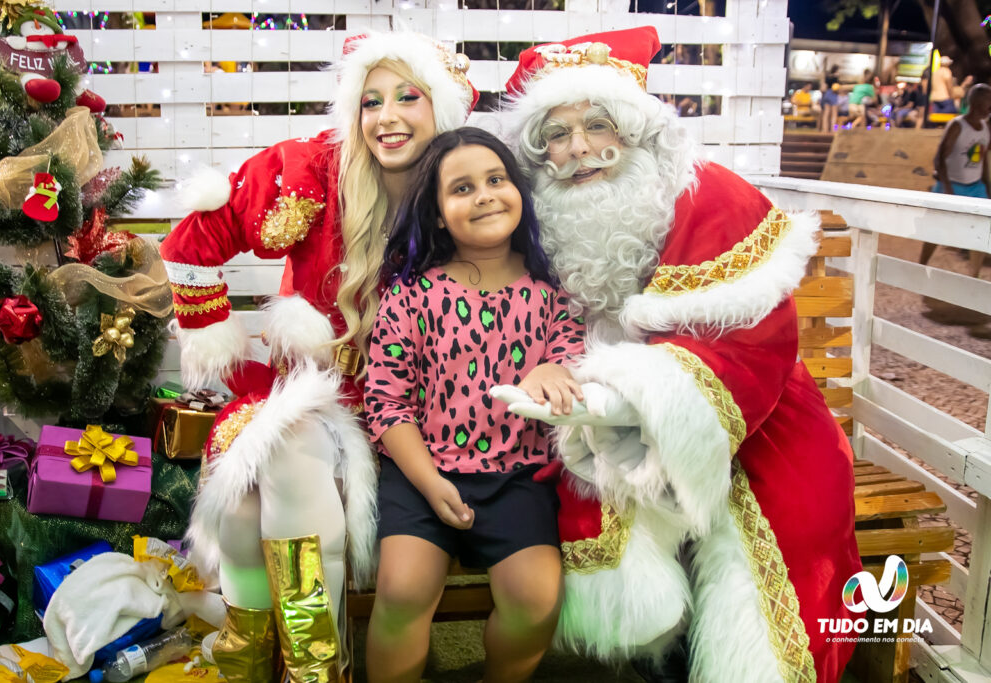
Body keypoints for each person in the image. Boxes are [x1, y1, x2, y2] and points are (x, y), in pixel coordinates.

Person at [497, 27, 861, 683]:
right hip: (591, 423)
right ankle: (661, 655)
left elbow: (758, 342)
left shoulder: (708, 194)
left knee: (791, 528)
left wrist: (635, 396)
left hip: (751, 415)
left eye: (597, 124)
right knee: (599, 496)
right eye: (556, 134)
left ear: (633, 129)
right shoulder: (534, 217)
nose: (579, 148)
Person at [159, 31, 479, 682]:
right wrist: (208, 330)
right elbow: (193, 239)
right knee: (283, 450)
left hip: (425, 425)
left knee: (259, 493)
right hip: (322, 407)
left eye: (408, 97)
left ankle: (274, 660)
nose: (386, 117)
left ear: (442, 109)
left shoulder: (468, 185)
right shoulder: (313, 171)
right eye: (371, 100)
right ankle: (303, 664)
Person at [363, 127, 585, 683]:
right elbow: (386, 402)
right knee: (401, 590)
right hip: (422, 471)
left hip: (516, 476)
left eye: (496, 180)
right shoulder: (411, 292)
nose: (484, 195)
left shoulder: (554, 288)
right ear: (438, 214)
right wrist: (430, 482)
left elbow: (575, 356)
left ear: (518, 192)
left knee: (536, 599)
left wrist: (555, 367)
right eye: (462, 188)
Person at [920, 83, 991, 277]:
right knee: (935, 231)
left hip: (975, 187)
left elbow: (982, 158)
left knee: (981, 230)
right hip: (952, 185)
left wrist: (986, 185)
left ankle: (974, 276)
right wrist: (947, 188)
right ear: (975, 103)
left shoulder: (985, 127)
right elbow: (940, 158)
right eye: (988, 102)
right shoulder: (958, 125)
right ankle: (920, 267)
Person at [820, 65, 840, 131]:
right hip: (833, 94)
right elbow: (836, 88)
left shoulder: (827, 77)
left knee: (826, 113)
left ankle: (824, 129)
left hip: (827, 94)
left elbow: (824, 87)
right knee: (834, 114)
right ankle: (833, 130)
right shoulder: (836, 77)